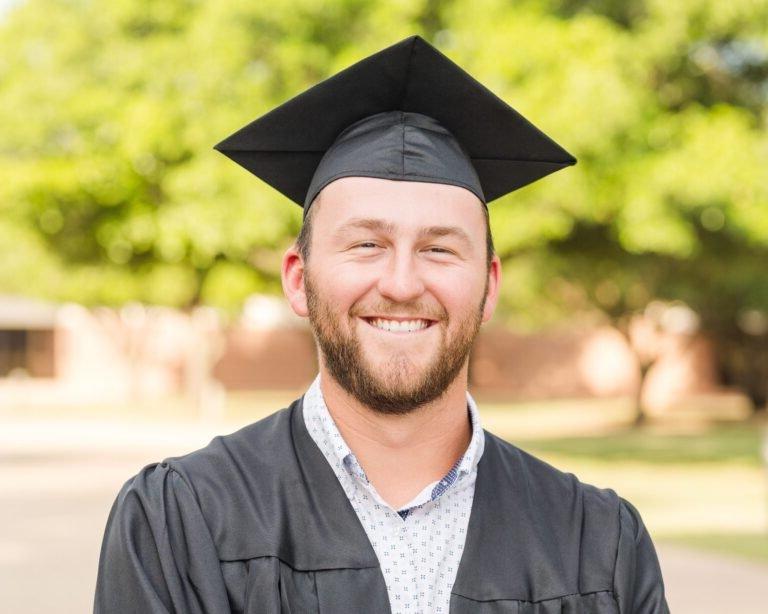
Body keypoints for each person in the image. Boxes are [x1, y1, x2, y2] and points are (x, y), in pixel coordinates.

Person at [94, 35, 669, 613]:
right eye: (367, 244)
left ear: (490, 286)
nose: (400, 284)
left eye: (440, 249)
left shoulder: (597, 544)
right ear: (298, 279)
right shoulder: (181, 521)